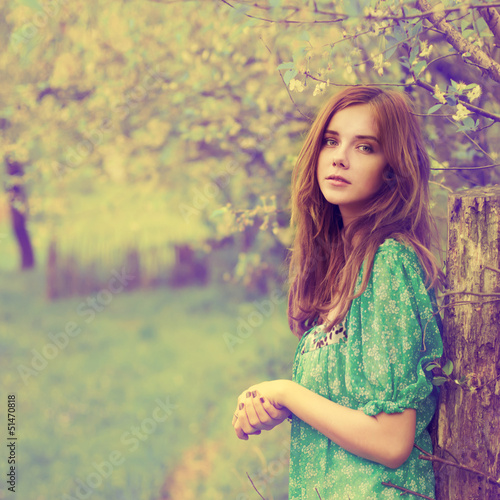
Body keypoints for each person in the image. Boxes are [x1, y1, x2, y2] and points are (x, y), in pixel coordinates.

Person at [231, 85, 444, 499]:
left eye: (365, 147)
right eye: (331, 140)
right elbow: (345, 412)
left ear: (393, 169)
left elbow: (391, 441)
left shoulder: (389, 265)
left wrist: (287, 392)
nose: (339, 156)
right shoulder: (344, 271)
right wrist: (272, 401)